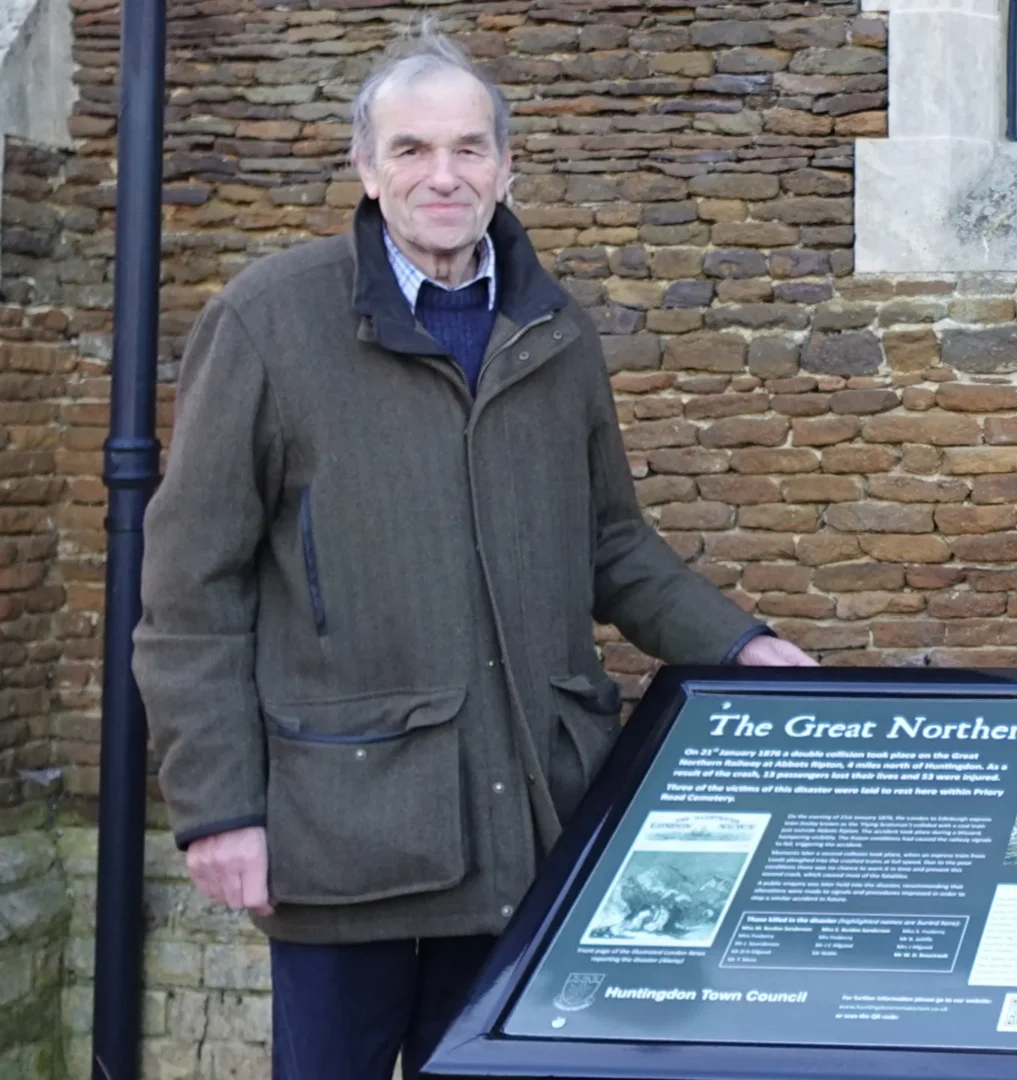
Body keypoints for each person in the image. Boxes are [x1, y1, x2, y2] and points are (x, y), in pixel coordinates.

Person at [130, 23, 815, 1080]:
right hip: (347, 830)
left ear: (506, 164)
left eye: (467, 149)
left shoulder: (557, 330)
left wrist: (741, 647)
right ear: (365, 167)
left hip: (532, 819)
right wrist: (218, 811)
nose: (441, 176)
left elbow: (612, 543)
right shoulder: (268, 323)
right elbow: (189, 593)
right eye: (410, 150)